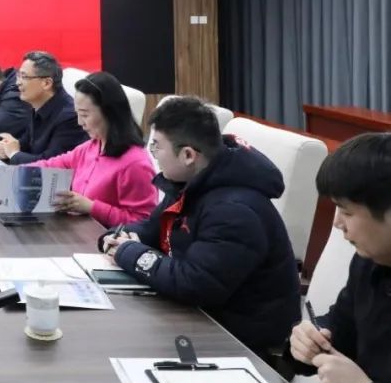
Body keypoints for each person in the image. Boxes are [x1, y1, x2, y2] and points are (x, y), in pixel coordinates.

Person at [102, 96, 300, 355]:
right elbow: (152, 228)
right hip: (197, 319)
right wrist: (117, 237)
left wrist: (128, 252)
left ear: (188, 155)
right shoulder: (191, 182)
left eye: (157, 147)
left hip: (243, 344)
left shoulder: (234, 211)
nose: (154, 156)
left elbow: (195, 284)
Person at [287, 133, 391, 383]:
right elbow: (341, 326)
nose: (336, 224)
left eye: (346, 211)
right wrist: (308, 341)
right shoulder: (369, 262)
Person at [0, 71, 156, 227]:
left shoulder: (135, 163)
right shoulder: (91, 147)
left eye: (85, 115)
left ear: (109, 112)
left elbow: (144, 222)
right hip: (81, 233)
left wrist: (91, 207)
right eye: (78, 114)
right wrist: (9, 176)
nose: (79, 122)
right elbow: (51, 164)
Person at [0, 51, 87, 165]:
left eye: (24, 77)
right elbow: (24, 145)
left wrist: (14, 154)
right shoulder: (38, 105)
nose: (17, 83)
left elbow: (51, 165)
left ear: (47, 83)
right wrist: (5, 149)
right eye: (18, 76)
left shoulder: (69, 117)